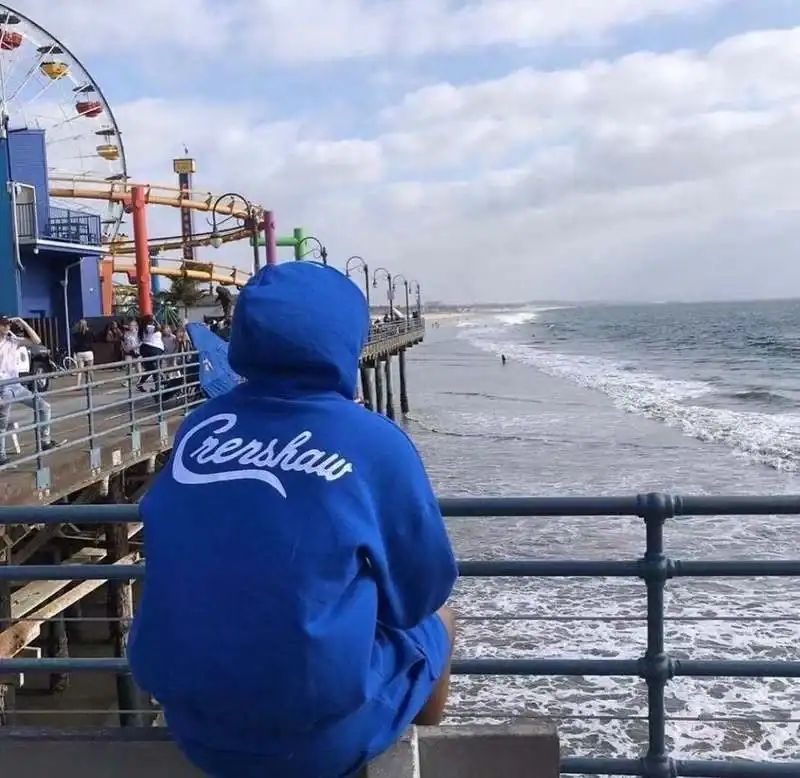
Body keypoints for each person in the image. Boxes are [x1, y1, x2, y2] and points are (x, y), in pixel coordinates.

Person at [128, 262, 458, 778]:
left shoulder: (199, 429)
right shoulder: (374, 442)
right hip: (315, 747)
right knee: (441, 623)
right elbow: (424, 590)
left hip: (195, 730)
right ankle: (416, 748)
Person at [0, 315, 58, 466]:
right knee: (2, 423)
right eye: (3, 325)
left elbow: (37, 341)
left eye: (8, 325)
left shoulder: (12, 341)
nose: (7, 328)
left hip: (17, 385)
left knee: (44, 407)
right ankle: (1, 456)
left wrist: (23, 323)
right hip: (3, 388)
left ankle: (45, 441)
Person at [137, 315, 164, 392]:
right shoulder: (149, 327)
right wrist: (155, 320)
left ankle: (140, 383)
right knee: (156, 368)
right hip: (153, 349)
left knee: (150, 369)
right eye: (152, 320)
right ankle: (158, 386)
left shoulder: (144, 328)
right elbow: (159, 327)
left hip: (148, 348)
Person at [71, 319, 95, 387]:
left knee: (80, 370)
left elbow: (74, 343)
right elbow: (93, 340)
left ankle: (78, 385)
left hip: (79, 353)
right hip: (88, 352)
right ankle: (92, 383)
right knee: (90, 369)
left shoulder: (75, 334)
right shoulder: (90, 333)